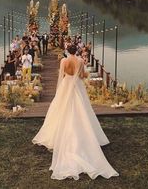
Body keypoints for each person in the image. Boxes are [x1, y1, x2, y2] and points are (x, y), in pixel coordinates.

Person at [32, 44, 119, 180]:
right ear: (76, 51)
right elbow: (82, 75)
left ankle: (56, 134)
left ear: (67, 51)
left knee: (61, 107)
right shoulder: (79, 61)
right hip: (77, 86)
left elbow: (61, 75)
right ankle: (84, 130)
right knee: (81, 108)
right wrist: (83, 74)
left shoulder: (64, 61)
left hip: (66, 85)